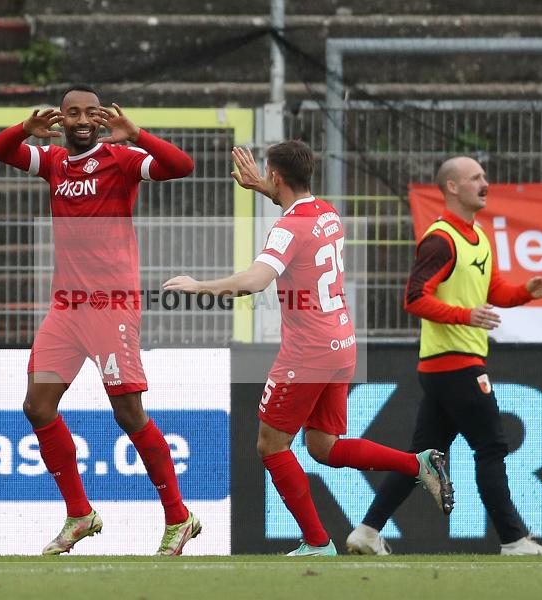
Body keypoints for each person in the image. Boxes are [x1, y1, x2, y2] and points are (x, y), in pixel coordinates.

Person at [164, 141, 454, 557]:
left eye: (269, 175)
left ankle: (317, 542)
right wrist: (268, 189)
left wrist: (199, 285)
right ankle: (419, 463)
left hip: (308, 351)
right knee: (323, 447)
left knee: (271, 444)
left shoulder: (287, 227)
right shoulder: (328, 213)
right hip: (342, 343)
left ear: (276, 176)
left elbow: (255, 281)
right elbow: (297, 214)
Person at [0, 86, 201, 556]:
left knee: (128, 414)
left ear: (102, 117)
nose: (82, 120)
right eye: (72, 113)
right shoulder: (53, 164)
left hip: (111, 307)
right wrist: (25, 129)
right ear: (60, 120)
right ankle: (80, 513)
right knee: (37, 407)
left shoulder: (122, 159)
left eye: (90, 112)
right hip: (65, 309)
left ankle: (178, 517)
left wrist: (138, 135)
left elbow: (181, 167)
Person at [347, 156, 542, 557]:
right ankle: (514, 540)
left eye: (485, 175)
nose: (486, 182)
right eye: (476, 177)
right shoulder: (440, 238)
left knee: (423, 459)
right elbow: (414, 298)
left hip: (447, 364)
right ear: (452, 187)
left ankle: (367, 530)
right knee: (491, 447)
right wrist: (465, 315)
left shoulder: (478, 236)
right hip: (455, 362)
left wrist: (525, 292)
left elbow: (493, 290)